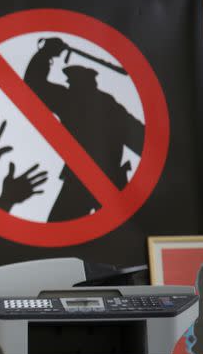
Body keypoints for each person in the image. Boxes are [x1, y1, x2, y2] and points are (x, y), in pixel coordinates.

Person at [24, 37, 144, 221]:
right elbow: (140, 139)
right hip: (110, 179)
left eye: (70, 82)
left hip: (83, 180)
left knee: (60, 232)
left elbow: (33, 84)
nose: (68, 85)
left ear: (79, 84)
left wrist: (46, 53)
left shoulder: (70, 99)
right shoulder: (109, 104)